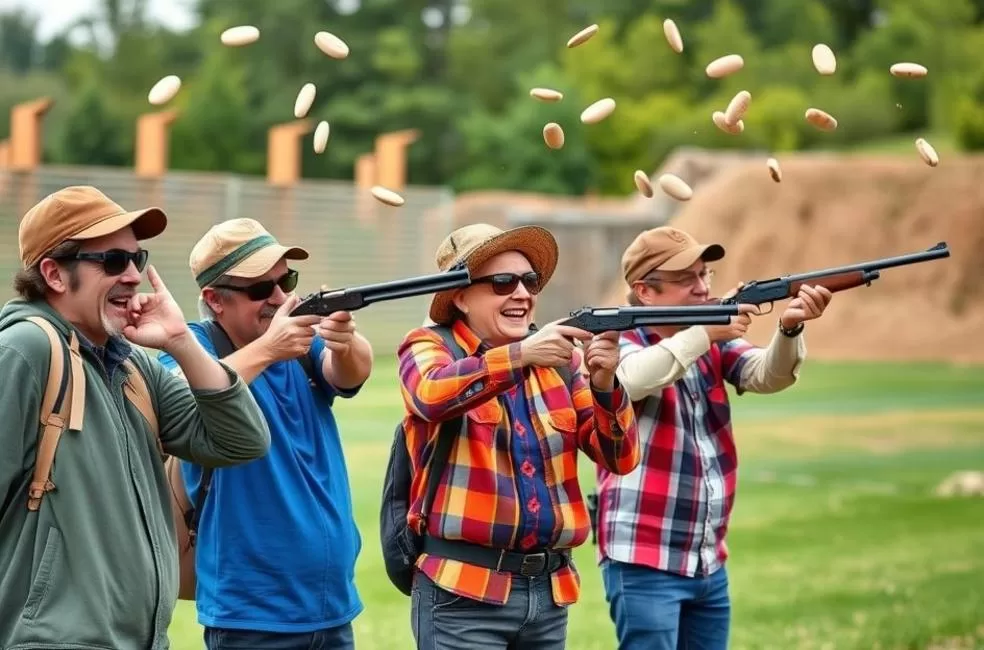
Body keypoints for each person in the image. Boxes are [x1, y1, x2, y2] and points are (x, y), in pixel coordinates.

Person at [0, 186, 271, 650]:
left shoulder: (130, 363)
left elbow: (240, 442)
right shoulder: (24, 351)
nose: (133, 276)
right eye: (112, 261)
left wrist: (181, 341)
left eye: (137, 259)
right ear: (55, 274)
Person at [398, 222, 642, 649]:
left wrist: (605, 384)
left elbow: (620, 458)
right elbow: (429, 393)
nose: (523, 294)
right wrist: (520, 355)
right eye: (502, 282)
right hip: (461, 593)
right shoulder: (428, 345)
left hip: (549, 596)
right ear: (459, 297)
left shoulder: (561, 363)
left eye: (529, 281)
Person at [596, 226, 833, 650]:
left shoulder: (707, 335)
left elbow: (766, 375)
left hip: (706, 559)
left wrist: (790, 328)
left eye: (706, 274)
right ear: (645, 292)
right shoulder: (616, 341)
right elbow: (631, 379)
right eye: (688, 279)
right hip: (643, 560)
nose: (704, 288)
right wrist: (706, 332)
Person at [157, 217, 373, 650]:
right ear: (215, 300)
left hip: (331, 603)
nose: (279, 297)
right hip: (252, 613)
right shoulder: (193, 347)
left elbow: (351, 373)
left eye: (285, 280)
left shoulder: (296, 343)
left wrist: (344, 340)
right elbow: (176, 400)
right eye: (260, 289)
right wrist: (269, 348)